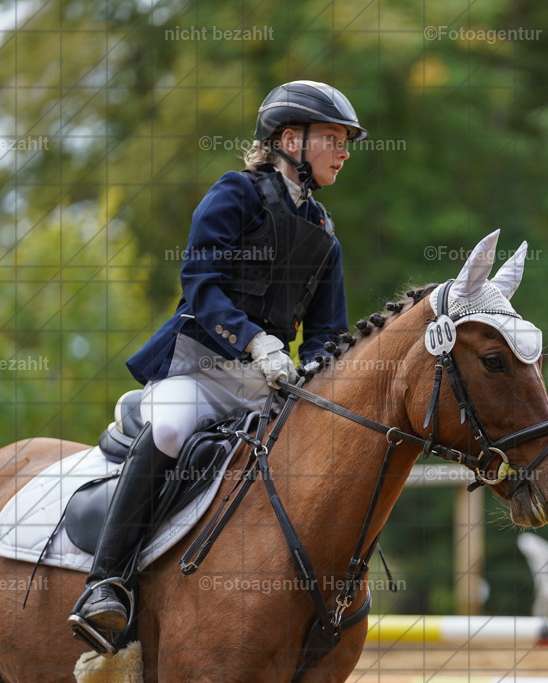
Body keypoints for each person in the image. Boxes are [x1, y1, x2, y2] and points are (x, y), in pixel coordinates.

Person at [72, 80, 367, 635]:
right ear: (290, 140)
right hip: (200, 370)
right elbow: (200, 285)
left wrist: (316, 370)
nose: (344, 151)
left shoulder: (325, 234)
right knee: (168, 432)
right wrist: (256, 341)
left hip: (269, 388)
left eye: (346, 141)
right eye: (333, 138)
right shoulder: (235, 193)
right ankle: (104, 582)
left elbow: (328, 330)